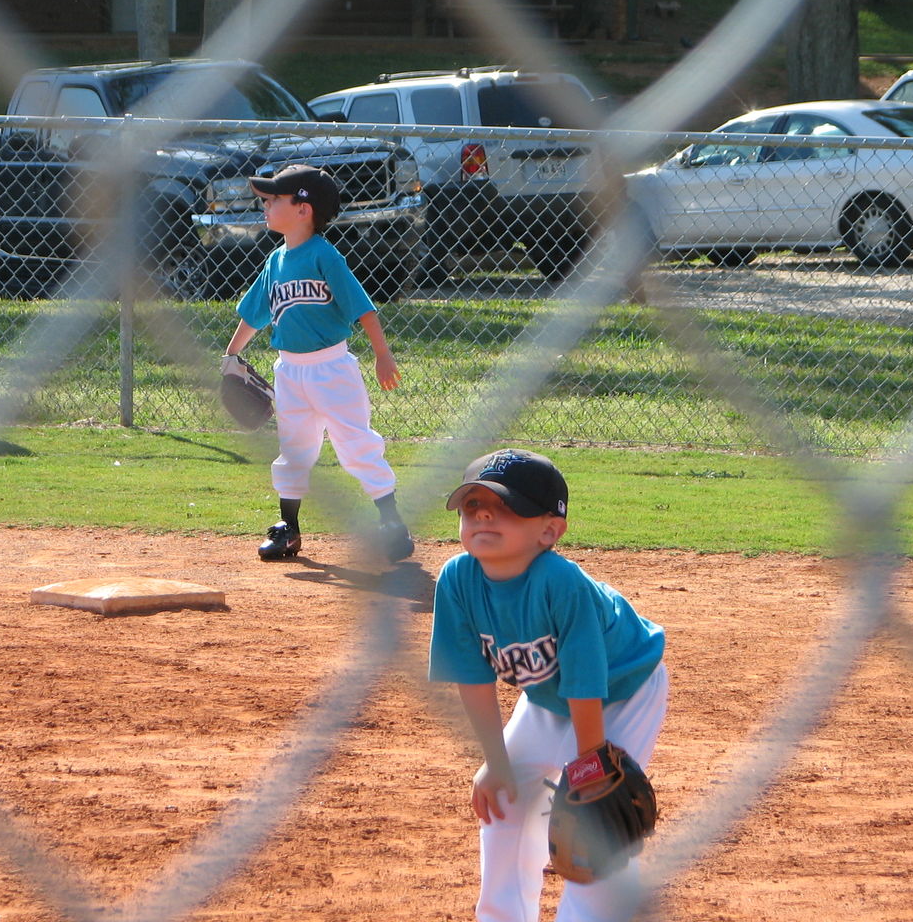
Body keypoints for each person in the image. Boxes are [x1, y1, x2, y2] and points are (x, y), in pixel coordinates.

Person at [428, 449, 668, 922]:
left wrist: (591, 765)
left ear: (549, 530)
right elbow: (473, 679)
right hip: (546, 696)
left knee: (597, 819)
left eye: (505, 507)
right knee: (503, 802)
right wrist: (495, 763)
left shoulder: (562, 582)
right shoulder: (457, 579)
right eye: (473, 506)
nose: (483, 515)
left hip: (623, 688)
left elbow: (585, 679)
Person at [222, 163, 414, 564]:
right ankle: (287, 529)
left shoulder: (325, 256)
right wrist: (230, 356)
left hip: (332, 369)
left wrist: (382, 354)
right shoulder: (275, 262)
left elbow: (363, 309)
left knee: (356, 444)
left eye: (274, 200)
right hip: (289, 370)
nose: (266, 206)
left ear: (303, 209)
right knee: (294, 449)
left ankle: (392, 524)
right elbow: (254, 315)